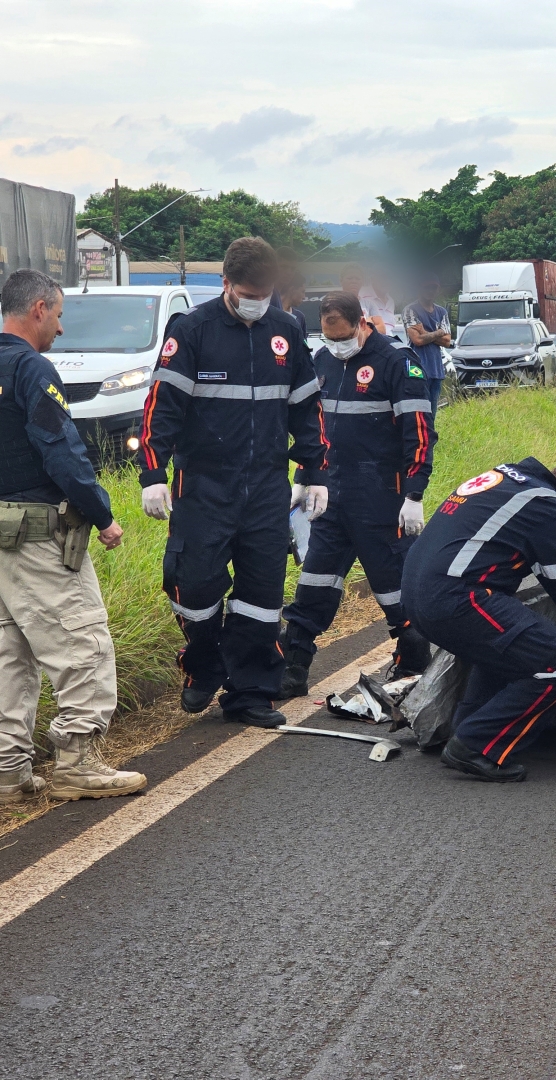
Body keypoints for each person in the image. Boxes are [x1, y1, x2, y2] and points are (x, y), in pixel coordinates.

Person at [138, 237, 330, 728]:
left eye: (264, 293)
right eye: (247, 292)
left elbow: (307, 409)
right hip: (203, 486)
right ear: (224, 283)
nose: (256, 301)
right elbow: (162, 407)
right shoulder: (193, 330)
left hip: (266, 487)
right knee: (192, 585)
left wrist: (312, 473)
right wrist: (153, 474)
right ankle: (203, 666)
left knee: (261, 596)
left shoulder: (287, 330)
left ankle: (250, 693)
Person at [0, 269, 146, 802]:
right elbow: (61, 449)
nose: (60, 329)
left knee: (9, 655)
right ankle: (77, 761)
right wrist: (102, 515)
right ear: (39, 308)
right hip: (36, 536)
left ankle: (8, 774)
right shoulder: (30, 367)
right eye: (59, 315)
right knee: (82, 644)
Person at [401, 456, 556, 782]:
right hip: (456, 598)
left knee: (508, 651)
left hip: (418, 595)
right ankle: (476, 745)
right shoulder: (549, 509)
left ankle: (466, 729)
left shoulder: (510, 480)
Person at [278, 292, 436, 697]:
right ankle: (292, 669)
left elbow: (419, 434)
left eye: (343, 336)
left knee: (397, 591)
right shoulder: (323, 360)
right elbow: (315, 429)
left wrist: (414, 494)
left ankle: (415, 669)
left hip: (382, 497)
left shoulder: (397, 364)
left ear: (362, 322)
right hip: (330, 494)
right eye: (328, 338)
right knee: (314, 583)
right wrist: (304, 475)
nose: (336, 345)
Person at [402, 274, 451, 423]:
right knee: (417, 413)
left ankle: (429, 444)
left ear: (438, 289)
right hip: (416, 368)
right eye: (426, 287)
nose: (430, 290)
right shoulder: (410, 310)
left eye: (433, 287)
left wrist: (424, 332)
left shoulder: (442, 312)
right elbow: (417, 340)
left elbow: (447, 341)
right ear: (419, 289)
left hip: (436, 369)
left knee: (431, 415)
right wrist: (437, 333)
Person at [339, 264, 385, 334]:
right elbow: (338, 330)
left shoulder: (369, 304)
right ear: (341, 280)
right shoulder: (334, 304)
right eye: (350, 278)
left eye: (358, 278)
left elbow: (382, 330)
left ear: (362, 282)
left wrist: (356, 330)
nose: (354, 281)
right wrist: (368, 325)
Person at [360, 268, 398, 336]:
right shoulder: (361, 294)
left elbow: (389, 328)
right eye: (382, 277)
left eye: (389, 279)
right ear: (373, 279)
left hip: (389, 340)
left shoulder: (391, 301)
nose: (386, 281)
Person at [280, 272, 308, 339]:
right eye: (302, 291)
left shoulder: (300, 316)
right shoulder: (269, 314)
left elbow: (303, 345)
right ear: (292, 290)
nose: (304, 297)